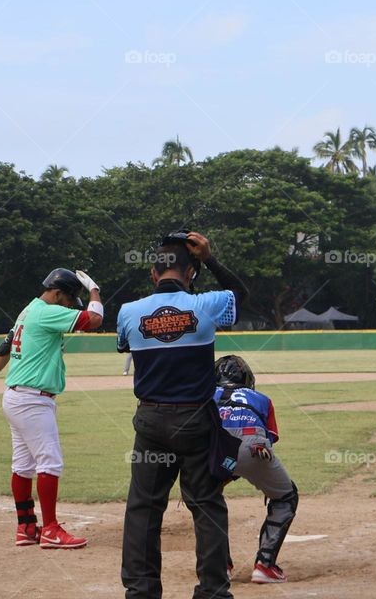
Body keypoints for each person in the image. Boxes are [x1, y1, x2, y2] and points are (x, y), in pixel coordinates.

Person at [117, 230, 248, 599]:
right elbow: (242, 295)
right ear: (191, 273)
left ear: (152, 273)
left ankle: (141, 591)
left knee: (143, 508)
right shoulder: (208, 304)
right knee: (207, 508)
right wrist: (210, 258)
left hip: (151, 422)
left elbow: (126, 345)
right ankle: (213, 592)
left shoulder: (128, 311)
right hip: (197, 421)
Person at [0, 268, 103, 548]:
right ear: (56, 293)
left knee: (23, 466)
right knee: (50, 462)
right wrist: (94, 290)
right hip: (32, 400)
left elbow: (5, 346)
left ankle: (26, 528)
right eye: (68, 299)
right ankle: (51, 529)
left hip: (16, 397)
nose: (68, 306)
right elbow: (95, 319)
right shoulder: (46, 312)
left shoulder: (28, 310)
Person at [213, 355, 298, 584]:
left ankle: (220, 567)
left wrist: (228, 471)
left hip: (219, 453)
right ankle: (265, 565)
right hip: (254, 449)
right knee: (286, 497)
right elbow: (267, 440)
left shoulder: (203, 396)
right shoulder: (262, 398)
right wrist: (242, 467)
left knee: (207, 498)